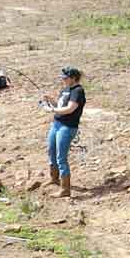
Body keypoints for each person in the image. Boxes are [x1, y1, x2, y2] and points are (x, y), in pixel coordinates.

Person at [44, 67, 85, 198]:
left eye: (65, 78)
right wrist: (51, 101)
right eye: (62, 78)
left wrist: (52, 110)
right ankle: (54, 178)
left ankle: (65, 189)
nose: (63, 80)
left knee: (61, 157)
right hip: (56, 124)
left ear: (73, 78)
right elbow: (61, 106)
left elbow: (70, 109)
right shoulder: (65, 90)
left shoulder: (78, 91)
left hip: (67, 127)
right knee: (51, 151)